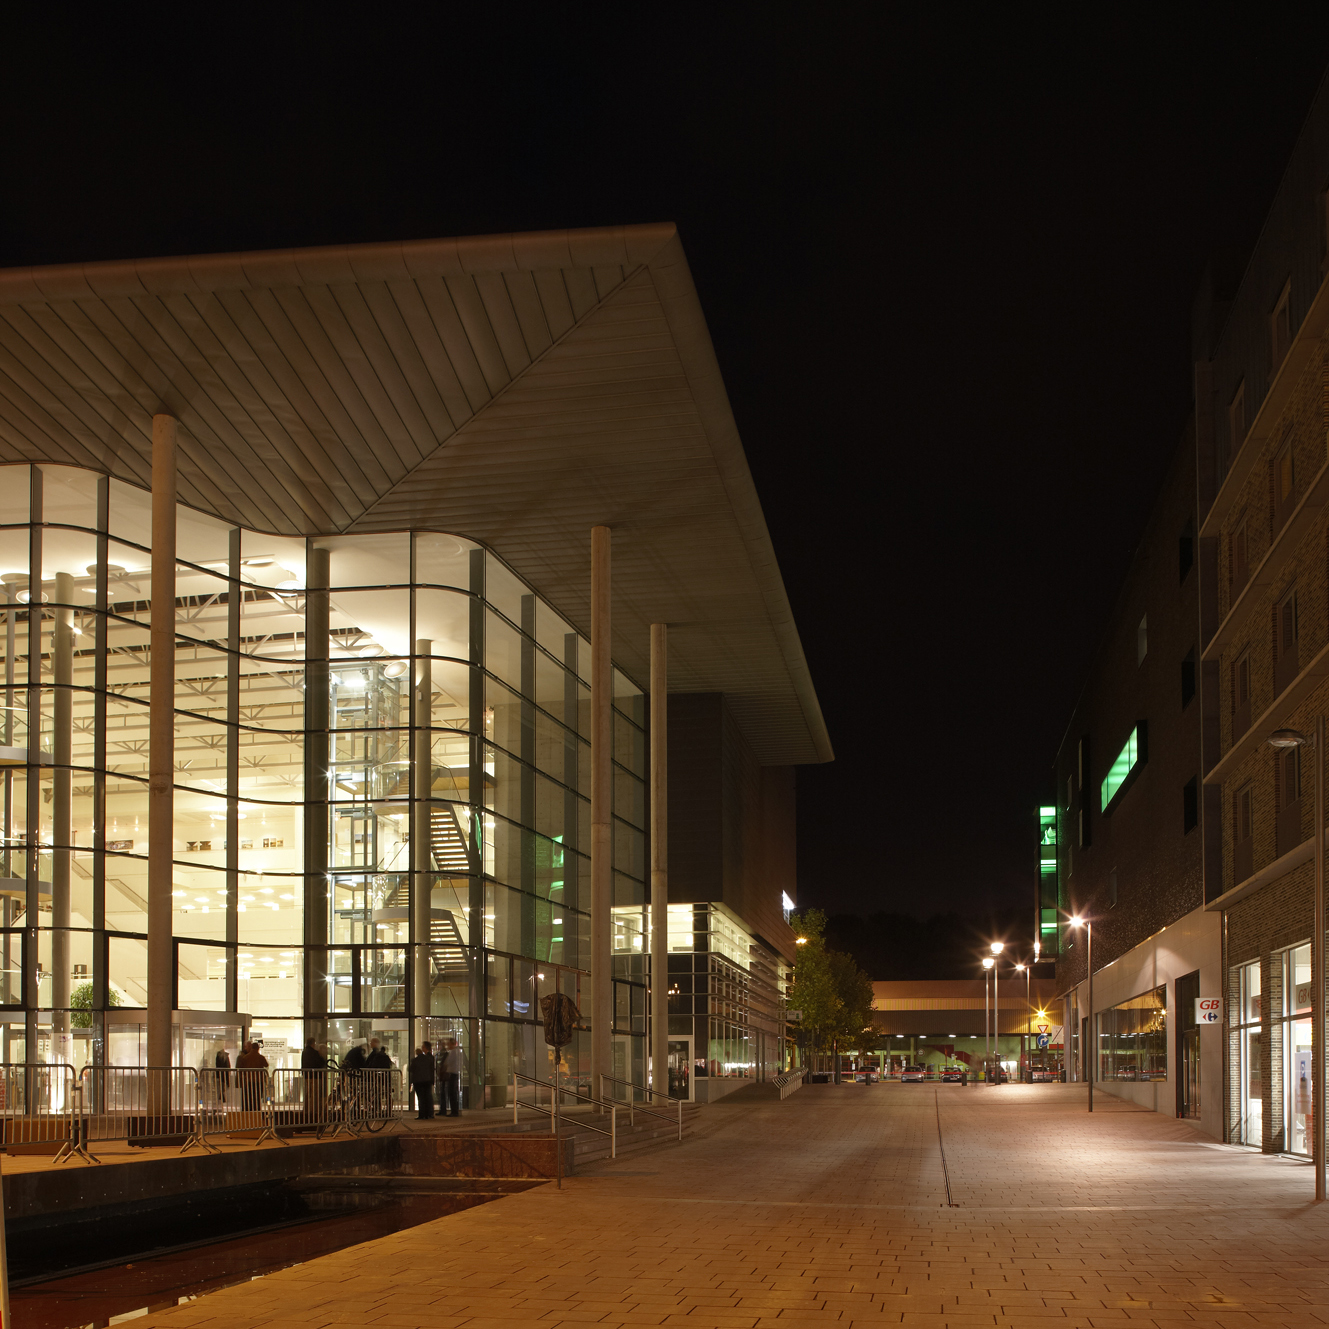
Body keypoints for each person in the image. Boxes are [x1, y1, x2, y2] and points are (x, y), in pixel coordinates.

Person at [236, 1040, 268, 1113]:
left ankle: (248, 1112)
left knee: (248, 1097)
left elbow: (241, 1068)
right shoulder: (260, 1057)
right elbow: (266, 1065)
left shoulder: (245, 1057)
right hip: (258, 1080)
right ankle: (256, 1112)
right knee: (257, 1098)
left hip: (248, 1080)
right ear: (258, 1049)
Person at [301, 1036, 328, 1123]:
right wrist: (321, 1055)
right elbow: (321, 1063)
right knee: (315, 1094)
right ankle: (314, 1111)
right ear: (313, 1043)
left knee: (308, 1093)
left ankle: (306, 1109)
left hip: (307, 1076)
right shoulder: (314, 1053)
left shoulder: (304, 1052)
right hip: (315, 1076)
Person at [409, 1042, 436, 1119]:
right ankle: (428, 1114)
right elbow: (431, 1069)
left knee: (421, 1098)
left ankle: (422, 1114)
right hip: (427, 1080)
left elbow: (410, 1069)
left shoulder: (415, 1060)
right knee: (427, 1097)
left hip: (418, 1081)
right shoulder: (428, 1059)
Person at [440, 1037, 462, 1117]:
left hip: (452, 1073)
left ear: (452, 1044)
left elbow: (447, 1062)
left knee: (452, 1093)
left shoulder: (453, 1052)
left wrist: (444, 1068)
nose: (448, 1045)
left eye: (449, 1044)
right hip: (454, 1073)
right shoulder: (457, 1052)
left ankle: (454, 1111)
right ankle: (454, 1111)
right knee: (452, 1093)